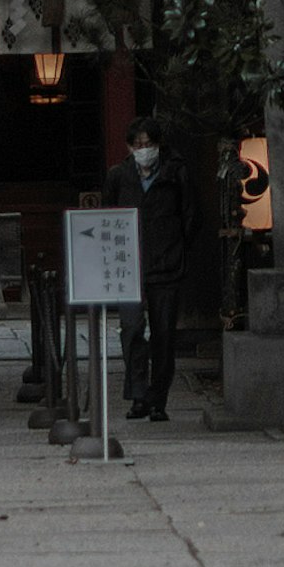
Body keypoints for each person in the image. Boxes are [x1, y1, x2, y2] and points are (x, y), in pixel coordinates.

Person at [122, 127, 189, 417]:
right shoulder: (120, 176)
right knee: (132, 329)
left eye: (147, 143)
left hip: (166, 263)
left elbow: (190, 215)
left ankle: (158, 398)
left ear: (158, 144)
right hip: (129, 265)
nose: (143, 149)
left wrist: (176, 247)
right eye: (137, 144)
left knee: (164, 334)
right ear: (129, 147)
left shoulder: (175, 175)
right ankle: (138, 394)